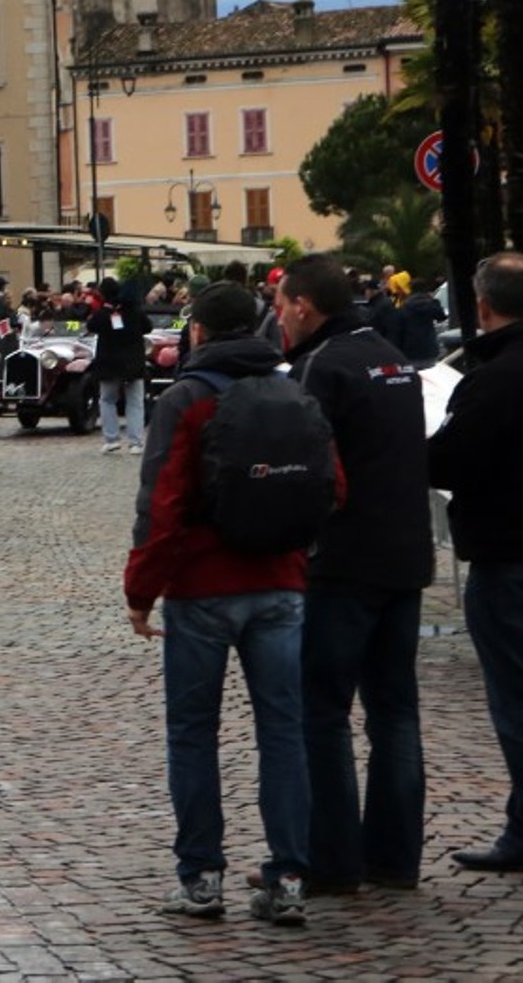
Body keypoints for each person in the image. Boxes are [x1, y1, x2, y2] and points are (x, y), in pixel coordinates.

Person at [123, 281, 314, 927]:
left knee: (192, 733)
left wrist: (140, 593)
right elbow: (330, 486)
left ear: (197, 332)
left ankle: (202, 877)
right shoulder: (294, 390)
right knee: (284, 734)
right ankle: (288, 877)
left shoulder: (186, 400)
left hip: (203, 589)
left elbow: (162, 507)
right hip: (280, 583)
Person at [275, 254, 430, 892]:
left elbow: (305, 470)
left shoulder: (321, 367)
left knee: (325, 712)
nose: (278, 318)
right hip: (406, 552)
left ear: (305, 307)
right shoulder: (393, 357)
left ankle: (332, 862)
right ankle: (395, 859)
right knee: (395, 711)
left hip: (343, 561)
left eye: (282, 306)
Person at [429, 251, 523, 871]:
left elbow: (445, 463)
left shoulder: (492, 379)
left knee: (515, 700)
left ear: (483, 308)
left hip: (508, 555)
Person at [88, 277, 153, 456]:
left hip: (109, 364)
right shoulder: (134, 310)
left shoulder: (103, 314)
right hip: (134, 363)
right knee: (135, 402)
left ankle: (112, 439)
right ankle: (136, 442)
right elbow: (148, 327)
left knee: (107, 400)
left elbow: (90, 325)